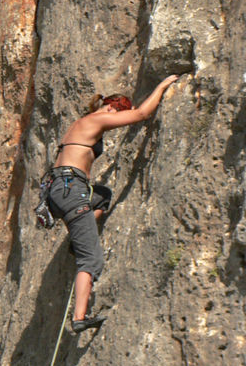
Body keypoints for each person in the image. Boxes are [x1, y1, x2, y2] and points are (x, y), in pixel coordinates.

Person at [48, 74, 182, 332]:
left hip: (59, 191)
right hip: (71, 190)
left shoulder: (79, 123)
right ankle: (79, 318)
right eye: (120, 114)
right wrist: (163, 85)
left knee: (103, 196)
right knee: (92, 260)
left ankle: (80, 239)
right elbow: (142, 114)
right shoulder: (99, 118)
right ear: (113, 109)